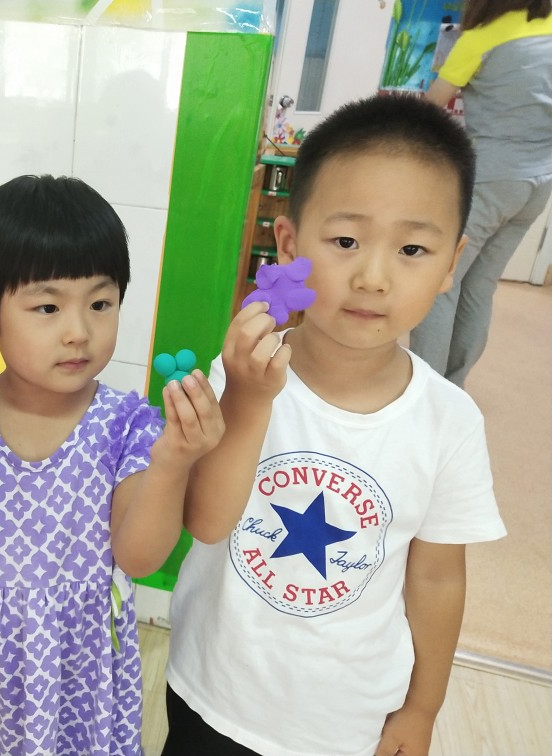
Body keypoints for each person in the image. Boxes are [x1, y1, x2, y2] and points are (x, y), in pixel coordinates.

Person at [163, 95, 507, 756]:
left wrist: (422, 709)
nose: (373, 277)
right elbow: (205, 522)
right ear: (289, 245)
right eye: (346, 241)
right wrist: (251, 401)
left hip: (345, 720)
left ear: (451, 265)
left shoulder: (451, 422)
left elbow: (437, 578)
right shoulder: (243, 372)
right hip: (213, 692)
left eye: (412, 248)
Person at [0, 174, 287, 755]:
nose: (79, 332)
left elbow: (138, 557)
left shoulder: (127, 427)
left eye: (101, 304)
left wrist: (173, 461)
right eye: (47, 307)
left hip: (82, 679)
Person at [410, 0, 552, 387]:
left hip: (488, 178)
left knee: (441, 282)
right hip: (539, 182)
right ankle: (453, 387)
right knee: (480, 286)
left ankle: (427, 390)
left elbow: (432, 106)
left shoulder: (482, 36)